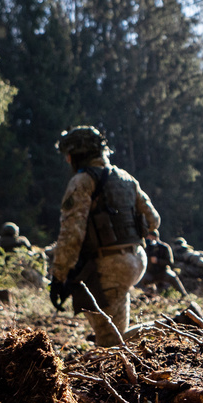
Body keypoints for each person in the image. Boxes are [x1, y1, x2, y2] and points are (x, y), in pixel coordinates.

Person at [49, 126, 160, 347]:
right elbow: (153, 220)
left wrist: (59, 276)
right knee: (115, 330)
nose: (67, 161)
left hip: (109, 267)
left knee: (110, 342)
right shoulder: (126, 178)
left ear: (78, 154)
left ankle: (177, 324)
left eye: (68, 156)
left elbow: (72, 234)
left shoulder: (82, 182)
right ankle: (172, 325)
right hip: (135, 259)